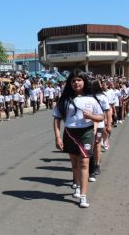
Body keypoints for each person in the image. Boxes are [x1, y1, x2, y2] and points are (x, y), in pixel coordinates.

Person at [53, 70, 104, 208]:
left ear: (84, 82)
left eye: (79, 80)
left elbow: (101, 117)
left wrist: (92, 117)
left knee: (84, 164)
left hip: (86, 132)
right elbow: (57, 120)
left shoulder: (92, 99)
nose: (76, 83)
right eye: (73, 80)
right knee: (75, 165)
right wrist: (58, 137)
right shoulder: (64, 100)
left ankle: (83, 196)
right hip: (70, 133)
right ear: (70, 83)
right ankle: (76, 183)